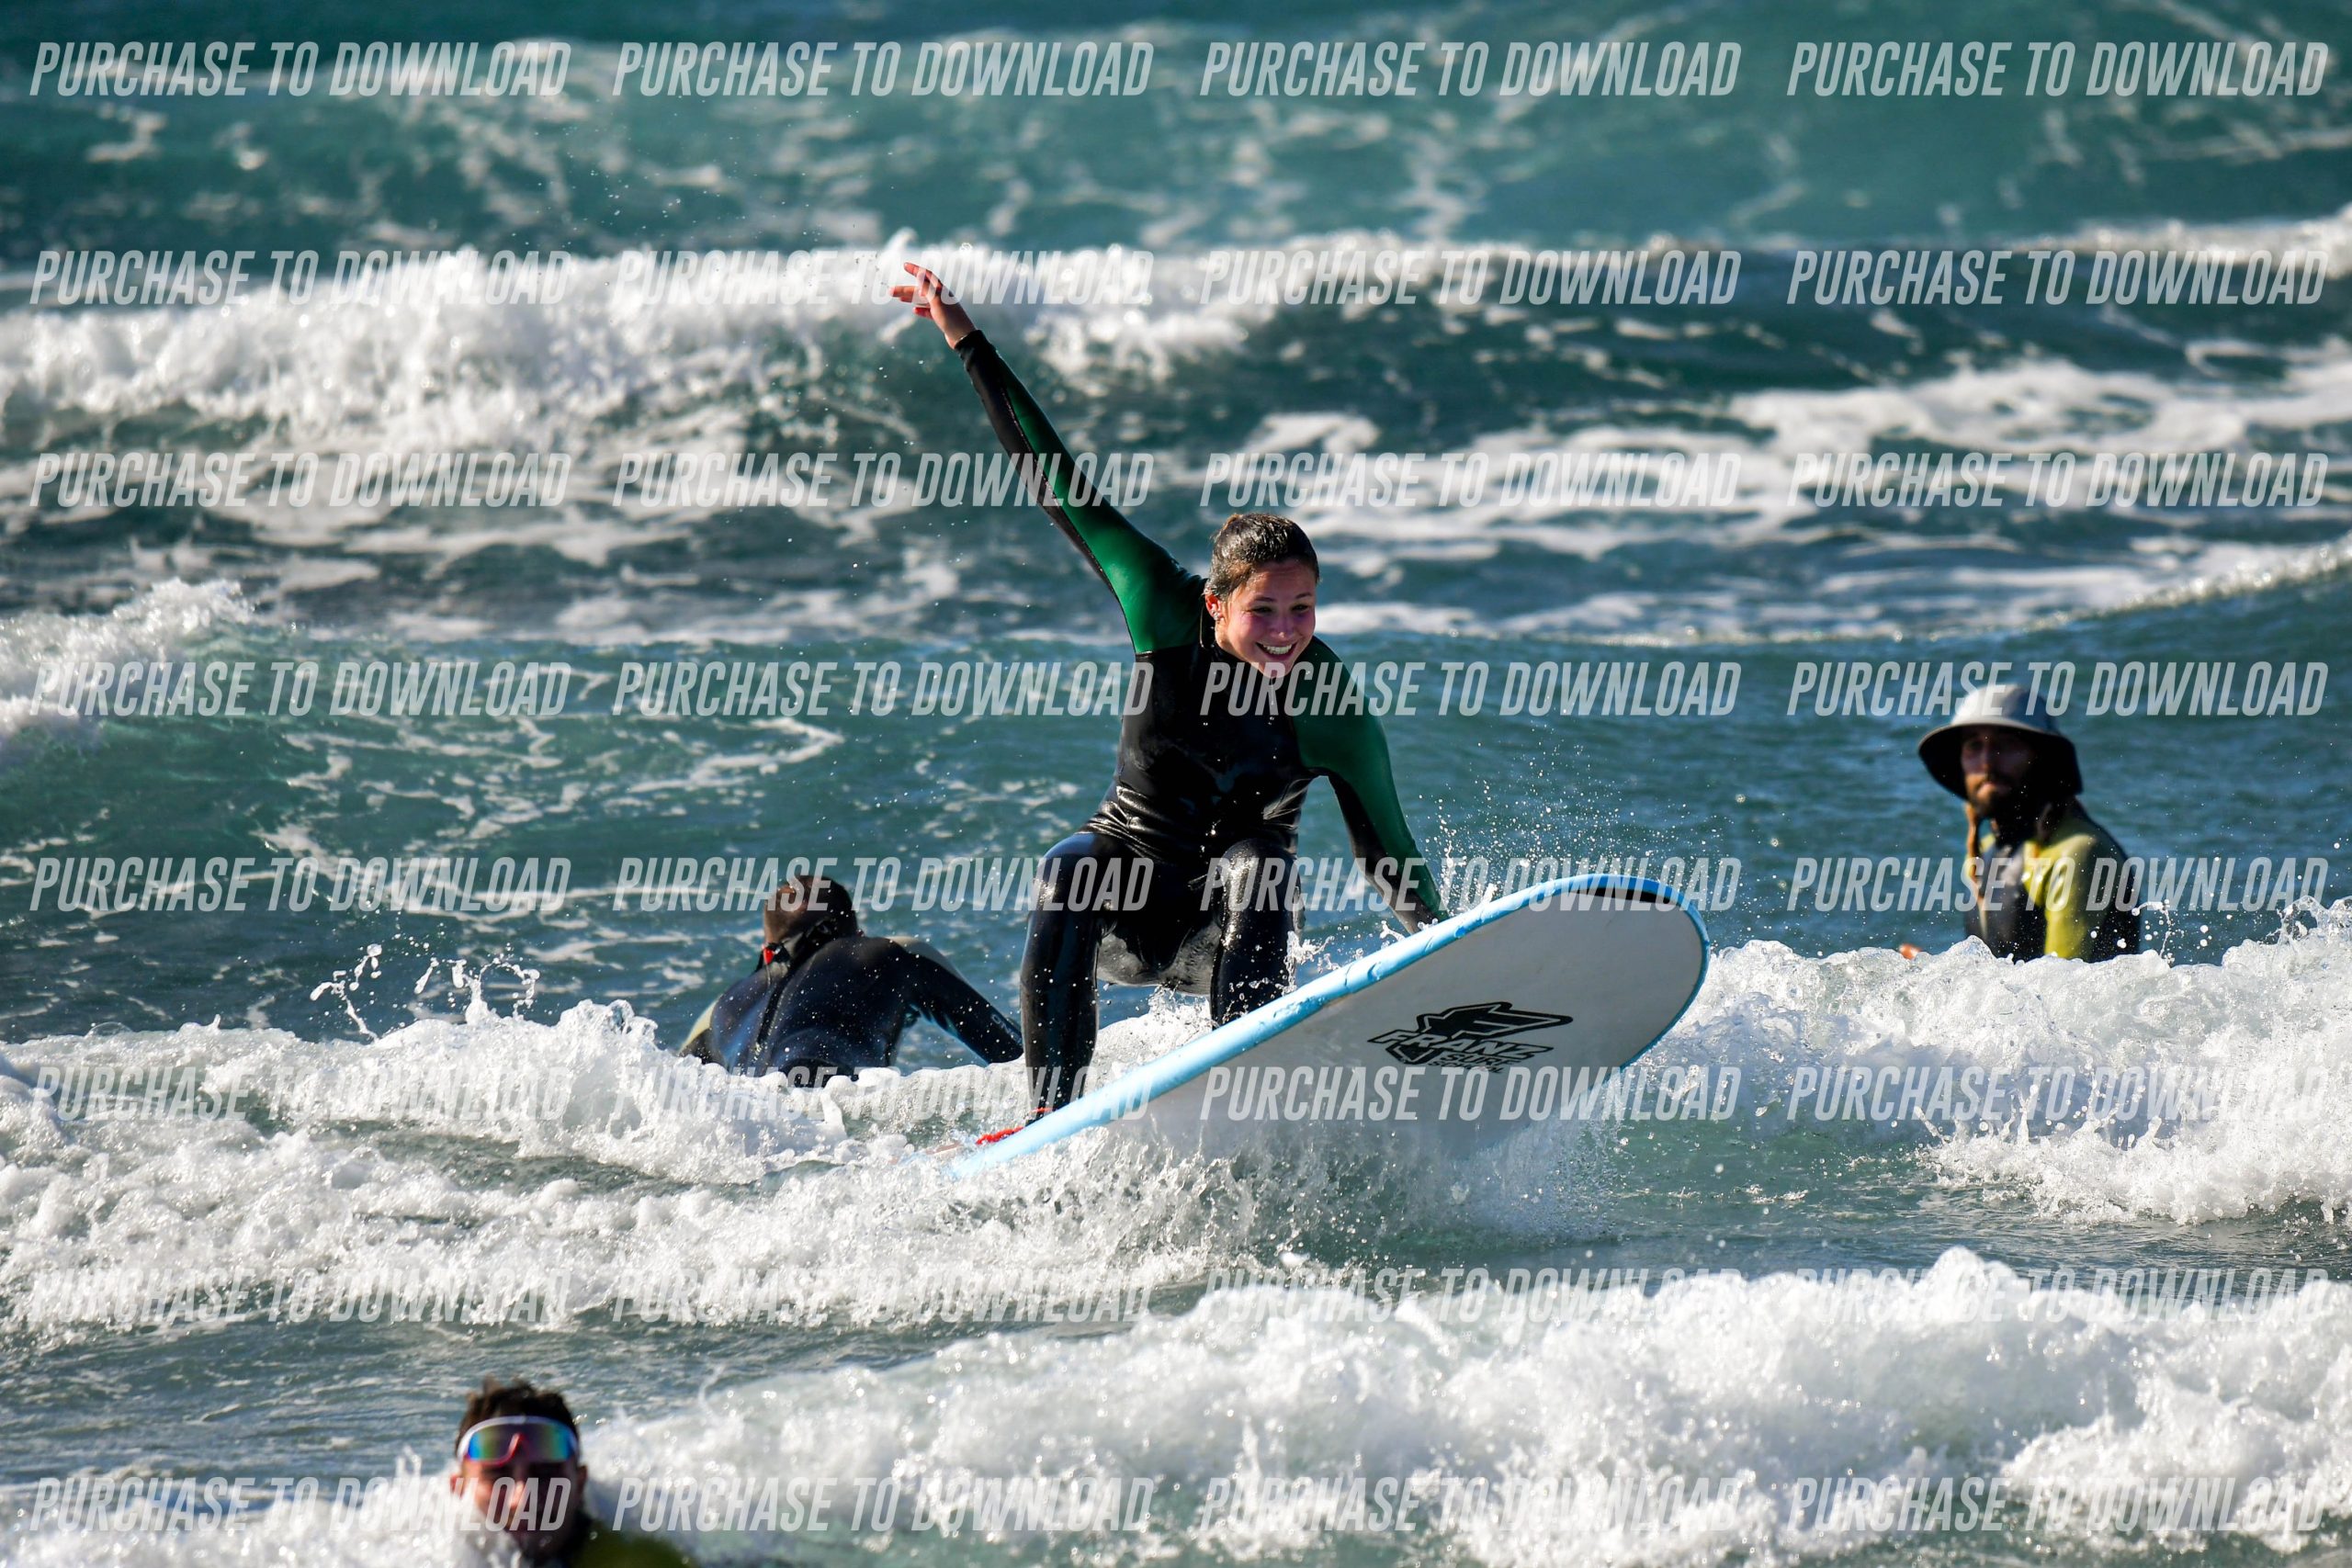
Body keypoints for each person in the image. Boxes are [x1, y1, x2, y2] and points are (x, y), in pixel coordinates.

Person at [892, 263, 1447, 1119]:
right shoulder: (1161, 606)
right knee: (1067, 868)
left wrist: (1448, 949)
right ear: (1216, 604)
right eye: (1264, 610)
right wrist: (966, 340)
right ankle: (1050, 1115)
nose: (1286, 631)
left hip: (1233, 930)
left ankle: (1240, 1095)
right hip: (1130, 905)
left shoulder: (1327, 700)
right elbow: (1057, 480)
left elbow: (1387, 855)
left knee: (1260, 864)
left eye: (1303, 608)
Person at [680, 874, 1021, 1082]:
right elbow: (1016, 1054)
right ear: (857, 936)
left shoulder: (721, 1007)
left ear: (767, 953)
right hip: (826, 1109)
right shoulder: (892, 952)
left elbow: (671, 1084)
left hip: (746, 1127)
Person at [1917, 682, 2140, 961]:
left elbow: (2061, 984)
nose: (1987, 762)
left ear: (2043, 759)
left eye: (2006, 744)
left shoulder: (2078, 853)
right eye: (1974, 746)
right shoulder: (1983, 853)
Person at [448, 1378, 693, 1567]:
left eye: (544, 1474)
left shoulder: (636, 1561)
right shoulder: (434, 1555)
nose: (523, 1500)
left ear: (579, 1484)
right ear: (459, 1488)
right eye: (498, 1476)